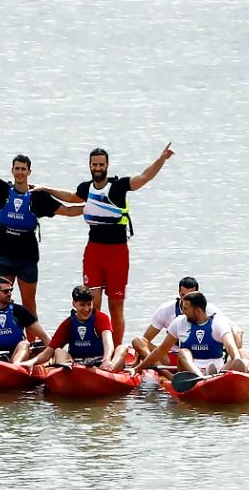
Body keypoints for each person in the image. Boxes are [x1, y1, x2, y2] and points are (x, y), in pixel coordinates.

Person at [34, 143, 175, 345]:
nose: (97, 168)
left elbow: (143, 178)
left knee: (116, 306)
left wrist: (161, 159)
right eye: (94, 164)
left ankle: (116, 349)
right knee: (92, 305)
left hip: (117, 253)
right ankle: (95, 348)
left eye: (101, 164)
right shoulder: (86, 188)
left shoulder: (118, 187)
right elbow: (71, 197)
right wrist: (45, 188)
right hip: (94, 252)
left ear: (107, 165)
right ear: (90, 166)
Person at [0, 124, 79, 316]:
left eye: (23, 169)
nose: (20, 172)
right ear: (12, 171)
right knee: (1, 302)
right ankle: (5, 339)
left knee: (29, 305)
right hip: (3, 253)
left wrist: (96, 207)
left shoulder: (38, 197)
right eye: (17, 168)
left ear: (29, 172)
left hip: (27, 256)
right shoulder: (2, 190)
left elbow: (68, 210)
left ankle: (34, 343)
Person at [131, 292, 249, 378]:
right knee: (183, 352)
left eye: (186, 309)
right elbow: (161, 351)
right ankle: (201, 378)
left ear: (198, 311)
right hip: (190, 372)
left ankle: (235, 374)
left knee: (244, 352)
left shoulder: (218, 322)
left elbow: (231, 346)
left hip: (217, 370)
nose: (182, 312)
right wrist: (137, 369)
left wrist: (236, 359)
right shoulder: (179, 322)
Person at [21, 285, 131, 371]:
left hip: (100, 362)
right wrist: (31, 362)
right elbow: (49, 351)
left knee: (122, 348)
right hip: (76, 364)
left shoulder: (101, 318)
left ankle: (108, 371)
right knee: (59, 351)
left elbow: (108, 342)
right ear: (74, 304)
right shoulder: (68, 323)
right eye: (82, 305)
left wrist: (106, 360)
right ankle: (65, 373)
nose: (87, 309)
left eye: (89, 304)